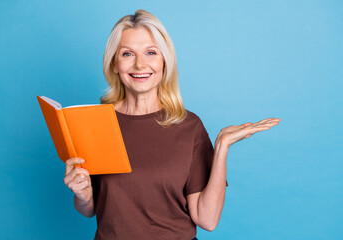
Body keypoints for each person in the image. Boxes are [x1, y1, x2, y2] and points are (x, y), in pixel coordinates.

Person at [63, 9, 281, 240]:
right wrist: (83, 196)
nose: (140, 64)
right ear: (114, 64)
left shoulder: (190, 126)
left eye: (151, 52)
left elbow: (207, 220)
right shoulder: (93, 123)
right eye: (127, 54)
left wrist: (222, 147)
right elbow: (90, 209)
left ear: (164, 61)